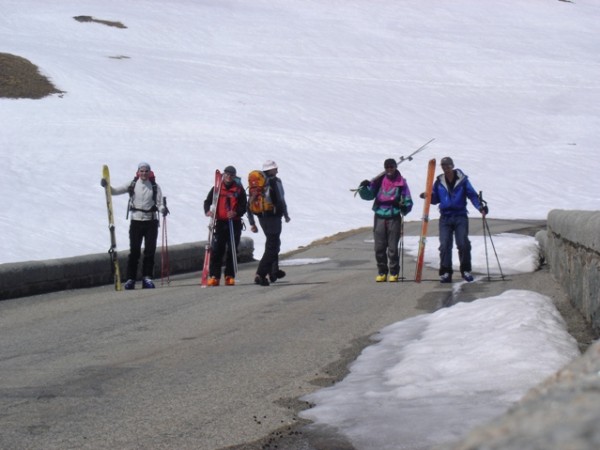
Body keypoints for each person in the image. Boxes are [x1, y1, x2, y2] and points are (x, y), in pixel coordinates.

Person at [101, 161, 168, 289]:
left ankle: (147, 278)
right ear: (138, 172)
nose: (143, 173)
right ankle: (130, 279)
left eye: (146, 171)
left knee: (150, 251)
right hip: (136, 221)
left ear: (149, 172)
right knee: (135, 251)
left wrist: (163, 209)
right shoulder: (132, 184)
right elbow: (114, 191)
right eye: (141, 171)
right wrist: (106, 186)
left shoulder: (154, 186)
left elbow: (159, 203)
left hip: (151, 222)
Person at [428, 156, 487, 283]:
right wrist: (428, 196)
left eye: (448, 166)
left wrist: (480, 207)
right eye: (444, 166)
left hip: (460, 216)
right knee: (444, 245)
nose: (446, 168)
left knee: (462, 243)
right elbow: (435, 199)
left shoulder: (463, 180)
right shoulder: (439, 181)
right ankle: (445, 272)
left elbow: (472, 195)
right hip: (445, 217)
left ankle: (465, 270)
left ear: (452, 166)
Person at [358, 158, 413, 282]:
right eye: (387, 167)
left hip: (394, 216)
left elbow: (408, 199)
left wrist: (405, 206)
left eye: (391, 167)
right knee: (379, 247)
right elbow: (369, 195)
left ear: (395, 167)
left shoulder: (401, 183)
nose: (389, 169)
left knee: (393, 247)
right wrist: (363, 187)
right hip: (379, 216)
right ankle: (382, 272)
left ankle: (394, 273)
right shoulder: (378, 181)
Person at [247, 160, 291, 286]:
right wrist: (286, 214)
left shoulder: (258, 184)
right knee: (273, 246)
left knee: (272, 243)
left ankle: (273, 271)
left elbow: (248, 205)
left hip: (261, 217)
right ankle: (260, 274)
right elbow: (280, 200)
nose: (277, 170)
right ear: (270, 170)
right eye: (275, 168)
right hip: (273, 217)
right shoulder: (274, 182)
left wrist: (252, 222)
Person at [203, 165, 247, 286]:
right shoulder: (216, 189)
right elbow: (207, 202)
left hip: (234, 223)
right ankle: (214, 276)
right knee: (217, 250)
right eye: (226, 174)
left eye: (231, 175)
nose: (228, 177)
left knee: (232, 250)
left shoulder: (239, 189)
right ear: (223, 175)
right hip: (220, 223)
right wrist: (208, 211)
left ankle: (229, 276)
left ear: (234, 176)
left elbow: (244, 206)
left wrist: (236, 212)